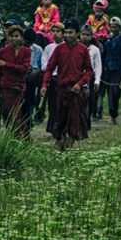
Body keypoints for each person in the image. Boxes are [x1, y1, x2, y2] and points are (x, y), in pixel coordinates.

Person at [42, 19, 93, 151]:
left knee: (75, 118)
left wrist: (80, 83)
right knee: (60, 117)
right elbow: (49, 68)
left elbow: (89, 71)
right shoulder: (59, 49)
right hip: (61, 88)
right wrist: (44, 84)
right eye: (66, 32)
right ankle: (58, 139)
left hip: (76, 89)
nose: (68, 35)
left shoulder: (83, 49)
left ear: (77, 34)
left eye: (71, 32)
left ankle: (70, 143)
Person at [0, 24, 31, 138]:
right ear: (8, 37)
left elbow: (24, 69)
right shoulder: (2, 51)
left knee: (19, 114)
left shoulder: (26, 51)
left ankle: (23, 138)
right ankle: (18, 138)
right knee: (11, 114)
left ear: (21, 37)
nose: (14, 38)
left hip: (20, 87)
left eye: (17, 36)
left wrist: (7, 64)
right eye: (12, 36)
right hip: (6, 86)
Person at [101, 17, 121, 125]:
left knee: (116, 91)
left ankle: (114, 113)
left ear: (119, 28)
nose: (113, 29)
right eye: (112, 27)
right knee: (109, 92)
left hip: (119, 70)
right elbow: (103, 56)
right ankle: (112, 114)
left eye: (116, 27)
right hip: (108, 69)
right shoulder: (107, 41)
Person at [38, 23, 65, 128]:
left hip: (63, 78)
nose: (55, 33)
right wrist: (53, 64)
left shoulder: (66, 47)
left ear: (62, 33)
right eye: (53, 31)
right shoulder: (49, 48)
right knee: (52, 103)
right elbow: (44, 64)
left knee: (61, 104)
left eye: (58, 31)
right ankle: (52, 125)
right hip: (52, 77)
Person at [22, 28, 45, 126]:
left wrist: (37, 71)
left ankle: (29, 119)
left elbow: (42, 65)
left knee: (30, 99)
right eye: (26, 42)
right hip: (21, 74)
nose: (27, 44)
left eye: (30, 43)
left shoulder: (38, 49)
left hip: (32, 76)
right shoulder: (19, 48)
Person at [80, 26, 102, 127]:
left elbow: (98, 66)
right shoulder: (76, 48)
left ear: (91, 36)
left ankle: (88, 119)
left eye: (87, 35)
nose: (85, 37)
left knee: (91, 101)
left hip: (90, 78)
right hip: (78, 77)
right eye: (83, 34)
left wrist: (97, 80)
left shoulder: (95, 50)